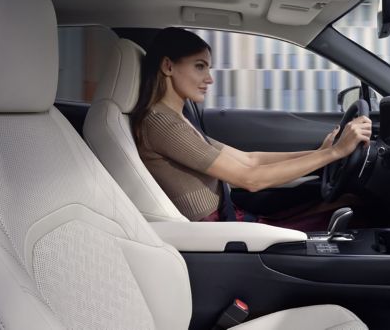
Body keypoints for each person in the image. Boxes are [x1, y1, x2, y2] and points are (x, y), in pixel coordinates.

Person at [132, 27, 372, 230]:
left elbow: (250, 160)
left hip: (228, 216)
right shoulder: (161, 124)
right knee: (354, 208)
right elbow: (250, 179)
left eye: (208, 68)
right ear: (168, 66)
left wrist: (319, 152)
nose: (209, 79)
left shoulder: (176, 118)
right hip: (218, 230)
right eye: (199, 66)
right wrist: (334, 153)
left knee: (346, 202)